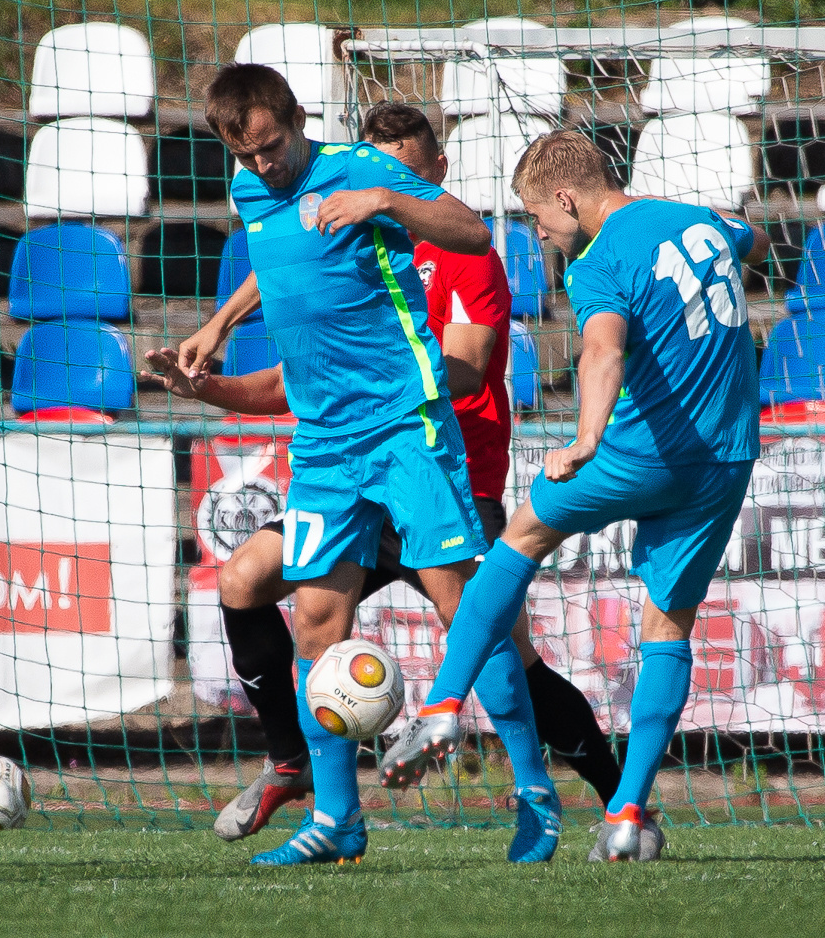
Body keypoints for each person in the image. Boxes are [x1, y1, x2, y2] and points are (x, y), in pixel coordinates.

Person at [150, 102, 619, 865]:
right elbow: (294, 353)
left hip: (436, 454)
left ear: (428, 173)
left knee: (490, 631)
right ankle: (316, 791)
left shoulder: (454, 252)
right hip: (343, 456)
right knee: (262, 588)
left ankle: (583, 794)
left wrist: (375, 372)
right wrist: (222, 351)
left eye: (402, 168)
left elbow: (463, 365)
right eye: (378, 163)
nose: (382, 176)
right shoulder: (313, 224)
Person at [378, 129, 764, 863]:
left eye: (535, 218)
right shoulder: (699, 220)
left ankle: (441, 707)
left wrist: (586, 438)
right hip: (725, 458)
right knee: (668, 626)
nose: (539, 234)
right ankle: (627, 814)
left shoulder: (598, 260)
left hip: (639, 451)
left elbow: (602, 348)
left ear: (565, 197)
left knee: (519, 539)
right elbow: (752, 237)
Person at [164, 63, 497, 868]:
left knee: (473, 608)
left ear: (298, 118)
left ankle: (537, 800)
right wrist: (217, 323)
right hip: (324, 442)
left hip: (404, 422)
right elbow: (279, 260)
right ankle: (338, 819)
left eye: (274, 147)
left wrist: (387, 200)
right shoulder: (250, 190)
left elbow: (474, 232)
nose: (266, 165)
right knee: (314, 621)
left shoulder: (362, 168)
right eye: (249, 156)